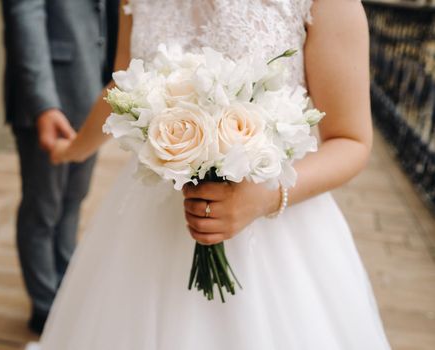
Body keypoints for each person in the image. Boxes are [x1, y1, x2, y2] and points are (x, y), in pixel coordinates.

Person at [30, 0, 392, 348]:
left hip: (275, 226)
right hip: (150, 221)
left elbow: (351, 140)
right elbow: (122, 86)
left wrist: (266, 197)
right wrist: (74, 149)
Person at [0, 0, 118, 334]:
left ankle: (65, 285)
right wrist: (44, 105)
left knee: (73, 199)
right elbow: (26, 17)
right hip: (50, 100)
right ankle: (43, 306)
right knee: (43, 207)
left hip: (93, 94)